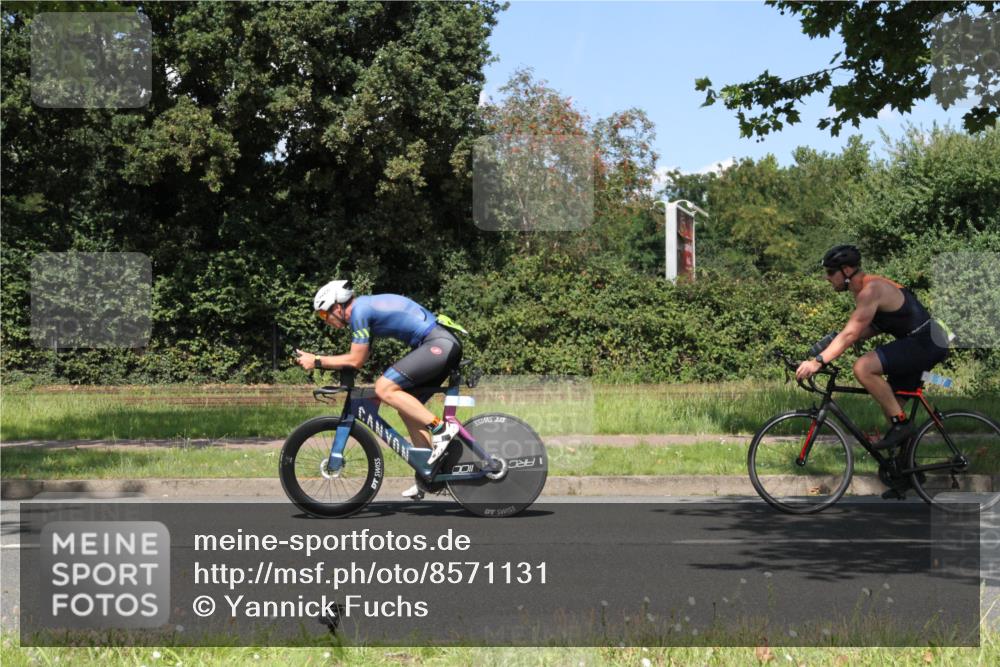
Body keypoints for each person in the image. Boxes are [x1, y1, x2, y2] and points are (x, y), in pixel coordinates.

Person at [294, 280, 463, 498]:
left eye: (324, 315)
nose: (326, 321)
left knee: (384, 387)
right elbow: (361, 357)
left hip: (438, 343)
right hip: (437, 344)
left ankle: (441, 429)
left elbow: (356, 360)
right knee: (406, 406)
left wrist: (316, 360)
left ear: (337, 306)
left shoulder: (359, 311)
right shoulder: (363, 310)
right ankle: (429, 472)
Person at [796, 245, 949, 451]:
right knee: (891, 406)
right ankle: (907, 470)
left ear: (847, 271)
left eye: (831, 272)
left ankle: (902, 426)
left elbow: (851, 334)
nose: (827, 277)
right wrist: (827, 346)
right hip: (922, 343)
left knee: (863, 367)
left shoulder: (871, 290)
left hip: (925, 342)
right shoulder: (867, 290)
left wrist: (818, 362)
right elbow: (863, 330)